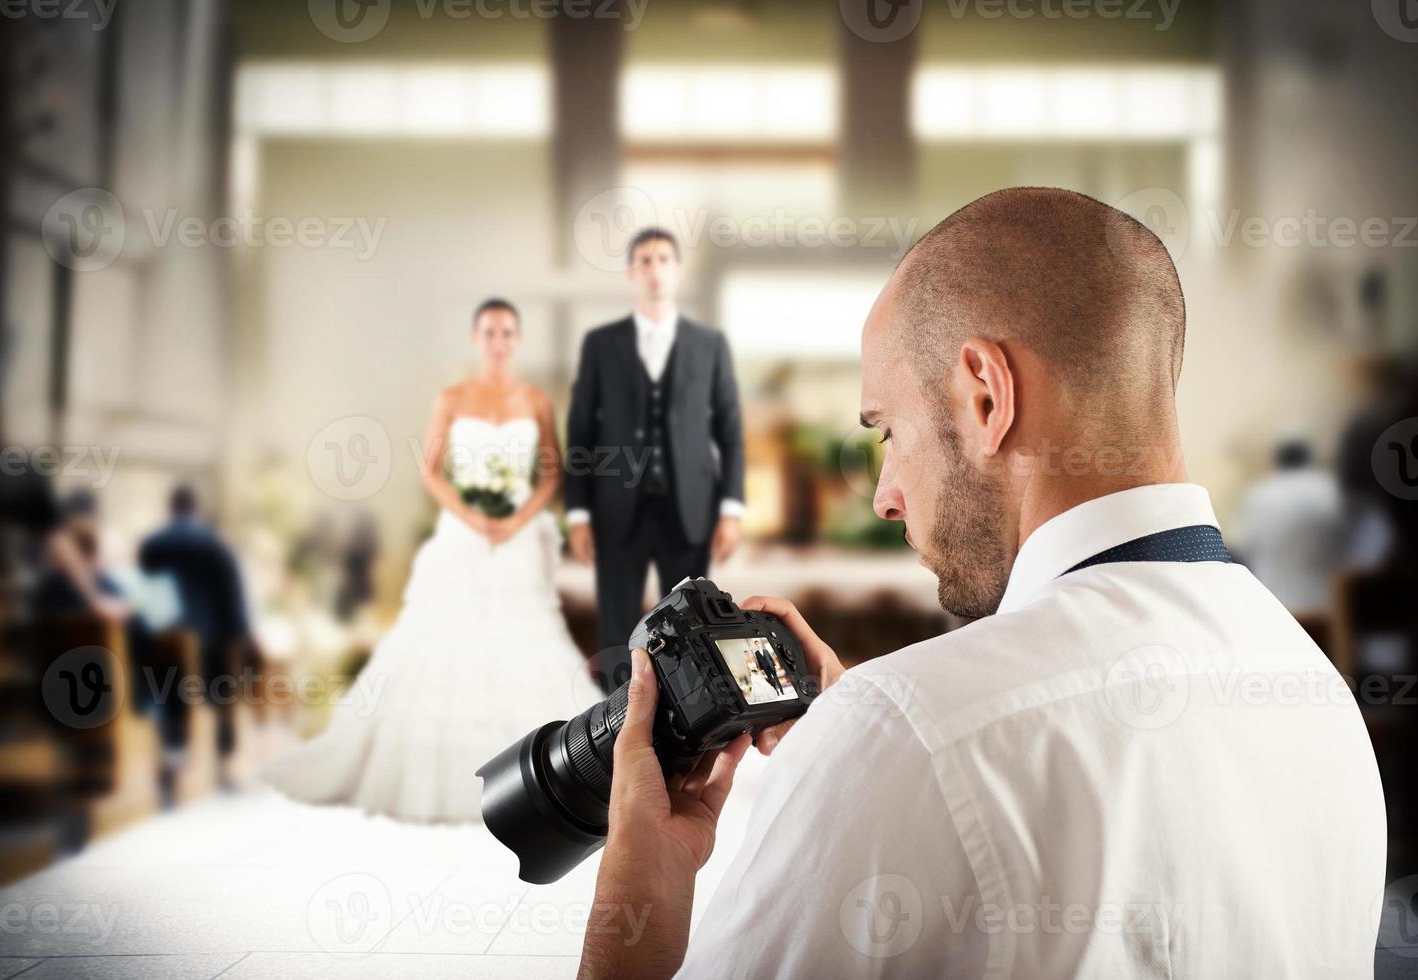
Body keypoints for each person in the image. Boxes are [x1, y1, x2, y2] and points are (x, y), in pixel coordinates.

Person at [578, 189, 1386, 978]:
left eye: (888, 431)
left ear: (986, 396)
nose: (884, 494)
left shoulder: (902, 733)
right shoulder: (1318, 691)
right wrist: (869, 744)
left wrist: (632, 915)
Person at [261, 299, 586, 822]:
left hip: (518, 535)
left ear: (517, 340)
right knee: (445, 637)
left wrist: (517, 517)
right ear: (475, 338)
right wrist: (473, 516)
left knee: (522, 637)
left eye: (507, 332)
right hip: (464, 531)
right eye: (489, 332)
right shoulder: (452, 398)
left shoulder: (535, 400)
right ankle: (445, 776)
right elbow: (431, 470)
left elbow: (549, 471)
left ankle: (542, 773)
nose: (498, 341)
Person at [565, 228, 745, 693]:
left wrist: (731, 510)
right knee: (618, 625)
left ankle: (687, 718)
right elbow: (581, 430)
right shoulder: (601, 344)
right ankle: (614, 727)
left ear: (676, 270)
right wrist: (579, 513)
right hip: (616, 509)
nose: (654, 268)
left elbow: (729, 431)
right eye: (644, 260)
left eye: (663, 259)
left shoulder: (710, 345)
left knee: (688, 622)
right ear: (631, 272)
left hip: (689, 510)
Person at [139, 484, 258, 778]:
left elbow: (144, 588)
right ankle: (225, 746)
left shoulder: (153, 545)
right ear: (195, 508)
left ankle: (175, 746)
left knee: (168, 687)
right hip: (211, 637)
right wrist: (241, 633)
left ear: (170, 507)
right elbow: (232, 594)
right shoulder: (214, 544)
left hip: (166, 634)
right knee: (222, 686)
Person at [1235, 439, 1345, 613]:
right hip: (1328, 604)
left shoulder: (1259, 496)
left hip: (1275, 603)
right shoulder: (1329, 489)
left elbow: (1243, 548)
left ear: (1277, 461)